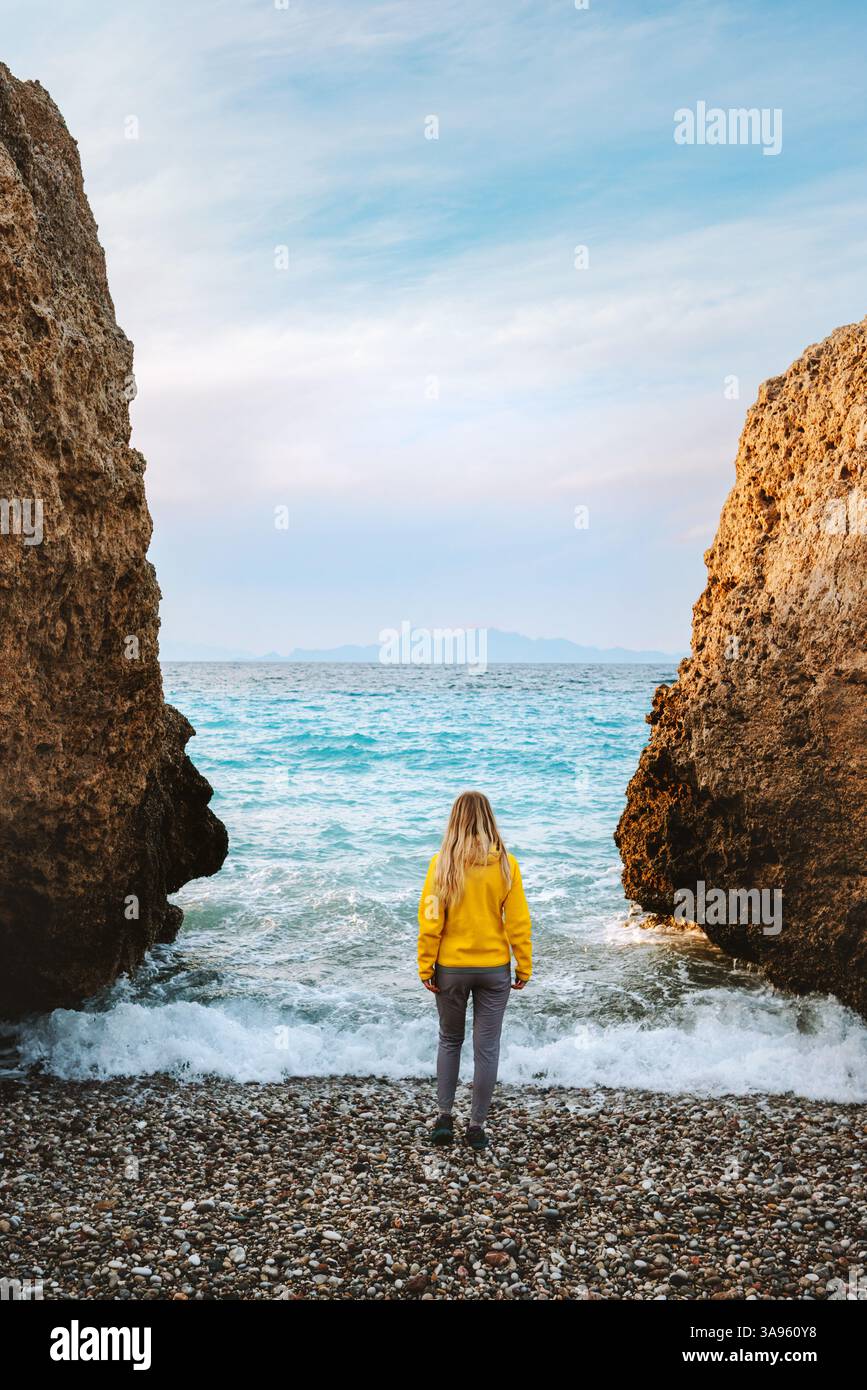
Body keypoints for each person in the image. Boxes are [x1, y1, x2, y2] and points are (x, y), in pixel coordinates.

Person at [417, 790, 532, 1151]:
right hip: (493, 968)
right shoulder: (506, 864)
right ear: (489, 819)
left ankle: (444, 1118)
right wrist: (524, 963)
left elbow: (430, 919)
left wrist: (425, 964)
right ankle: (477, 1126)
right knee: (487, 1047)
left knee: (450, 1040)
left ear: (455, 820)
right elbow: (518, 921)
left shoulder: (441, 864)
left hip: (451, 967)